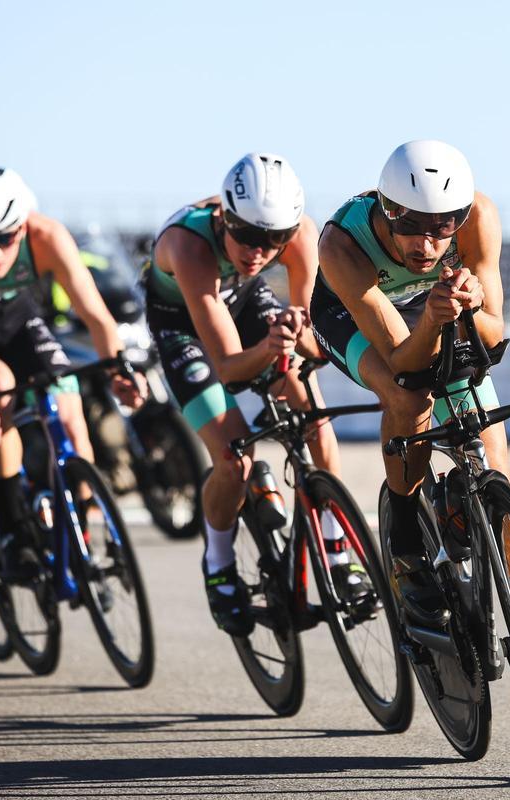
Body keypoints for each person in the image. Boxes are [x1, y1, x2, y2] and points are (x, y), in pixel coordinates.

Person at [312, 140, 510, 636]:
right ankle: (404, 540)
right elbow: (402, 360)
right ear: (385, 209)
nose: (426, 243)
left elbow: (494, 332)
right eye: (410, 224)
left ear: (459, 217)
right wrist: (438, 318)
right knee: (409, 394)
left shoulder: (480, 216)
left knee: (498, 468)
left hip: (430, 304)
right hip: (351, 315)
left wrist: (473, 306)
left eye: (443, 228)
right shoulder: (341, 243)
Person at [144, 153, 356, 636]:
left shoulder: (302, 234)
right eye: (247, 236)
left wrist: (298, 341)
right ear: (225, 216)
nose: (260, 251)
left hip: (240, 299)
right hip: (183, 324)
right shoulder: (189, 245)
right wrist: (271, 347)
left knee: (315, 417)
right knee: (232, 457)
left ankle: (337, 546)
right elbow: (229, 370)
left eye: (273, 240)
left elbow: (311, 332)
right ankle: (218, 562)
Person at [0, 167, 140, 577]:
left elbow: (97, 317)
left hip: (17, 320)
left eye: (4, 238)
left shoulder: (47, 237)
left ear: (23, 225)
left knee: (71, 418)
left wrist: (119, 370)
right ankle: (11, 527)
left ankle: (81, 530)